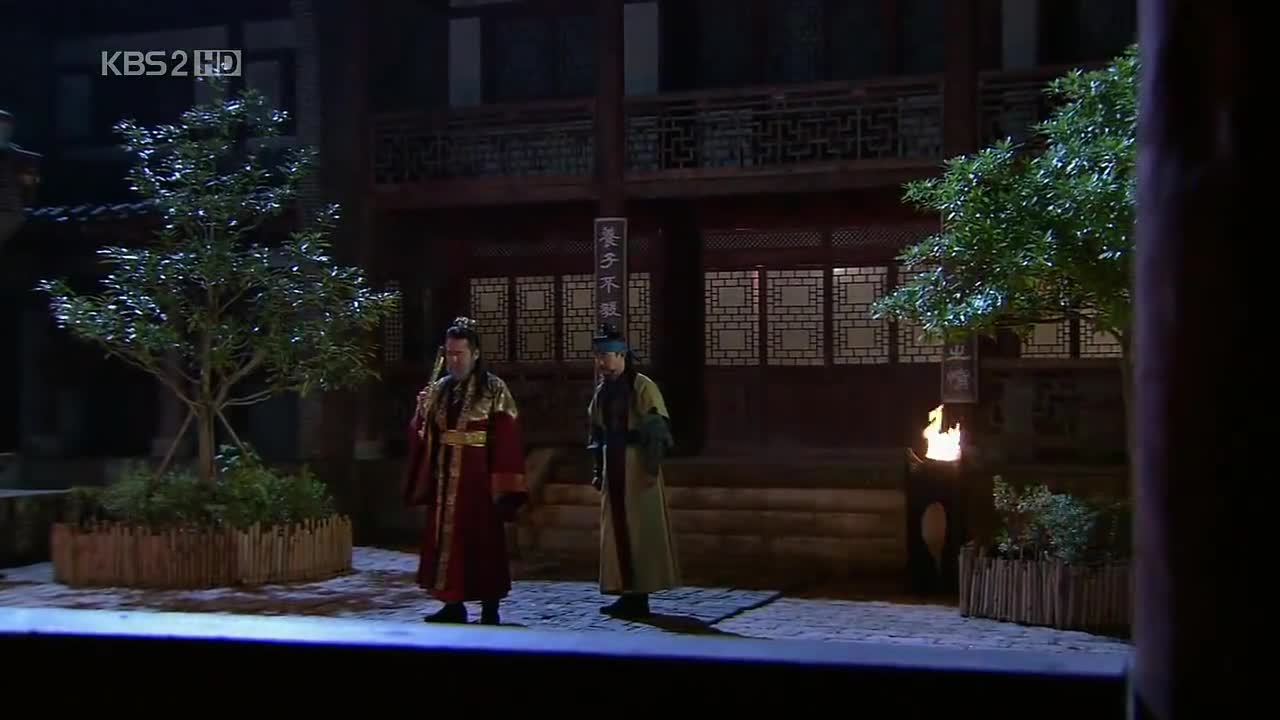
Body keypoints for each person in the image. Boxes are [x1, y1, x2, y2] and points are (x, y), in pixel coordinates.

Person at [404, 317, 527, 625]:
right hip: (445, 478)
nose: (454, 360)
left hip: (479, 480)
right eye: (449, 353)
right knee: (447, 541)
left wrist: (501, 483)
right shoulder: (440, 389)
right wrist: (421, 413)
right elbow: (424, 434)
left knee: (483, 541)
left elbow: (507, 435)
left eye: (459, 353)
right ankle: (452, 602)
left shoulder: (494, 388)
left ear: (475, 353)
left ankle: (489, 607)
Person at [587, 325, 680, 618]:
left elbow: (656, 427)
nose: (602, 363)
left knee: (639, 529)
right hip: (613, 462)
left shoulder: (641, 386)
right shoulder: (603, 391)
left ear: (621, 356)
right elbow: (596, 431)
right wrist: (598, 468)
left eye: (606, 356)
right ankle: (624, 591)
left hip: (636, 466)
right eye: (598, 357)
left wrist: (651, 465)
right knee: (616, 531)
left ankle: (640, 595)